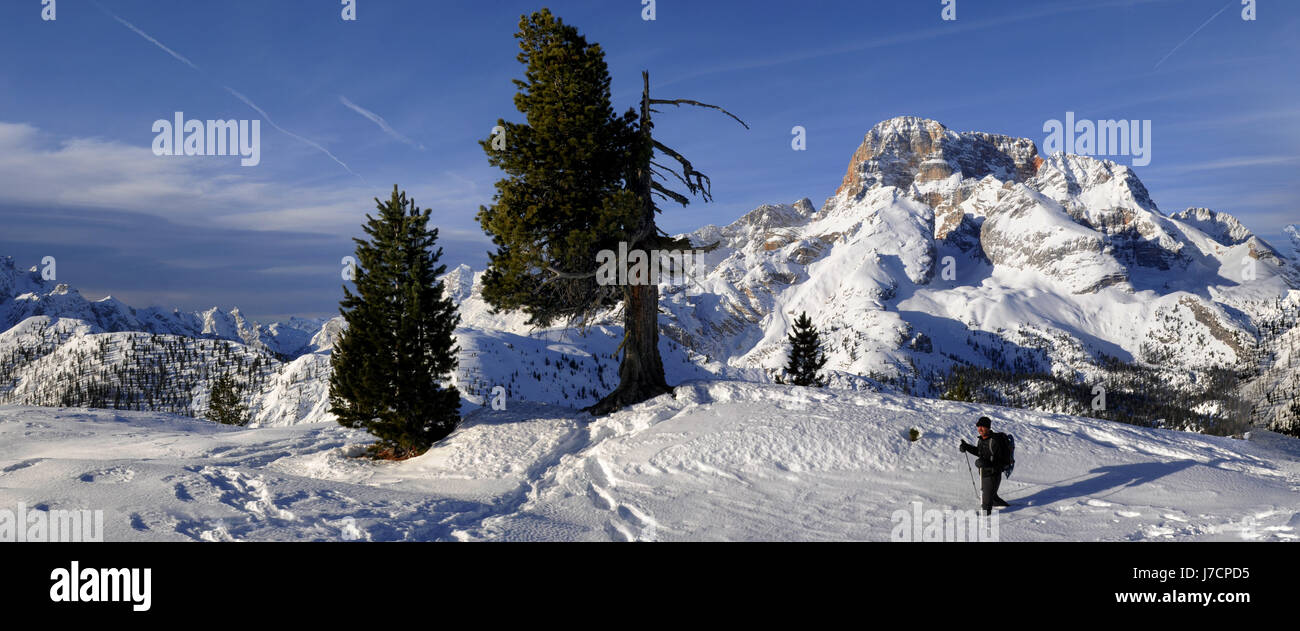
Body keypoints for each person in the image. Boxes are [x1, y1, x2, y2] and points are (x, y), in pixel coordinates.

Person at [959, 416, 1010, 515]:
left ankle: (985, 522)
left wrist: (987, 464)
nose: (980, 429)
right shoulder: (982, 440)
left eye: (983, 427)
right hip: (984, 474)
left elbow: (1003, 462)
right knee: (992, 496)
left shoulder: (995, 441)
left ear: (988, 427)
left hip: (992, 475)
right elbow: (979, 452)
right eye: (978, 427)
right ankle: (1006, 506)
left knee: (986, 508)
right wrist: (966, 447)